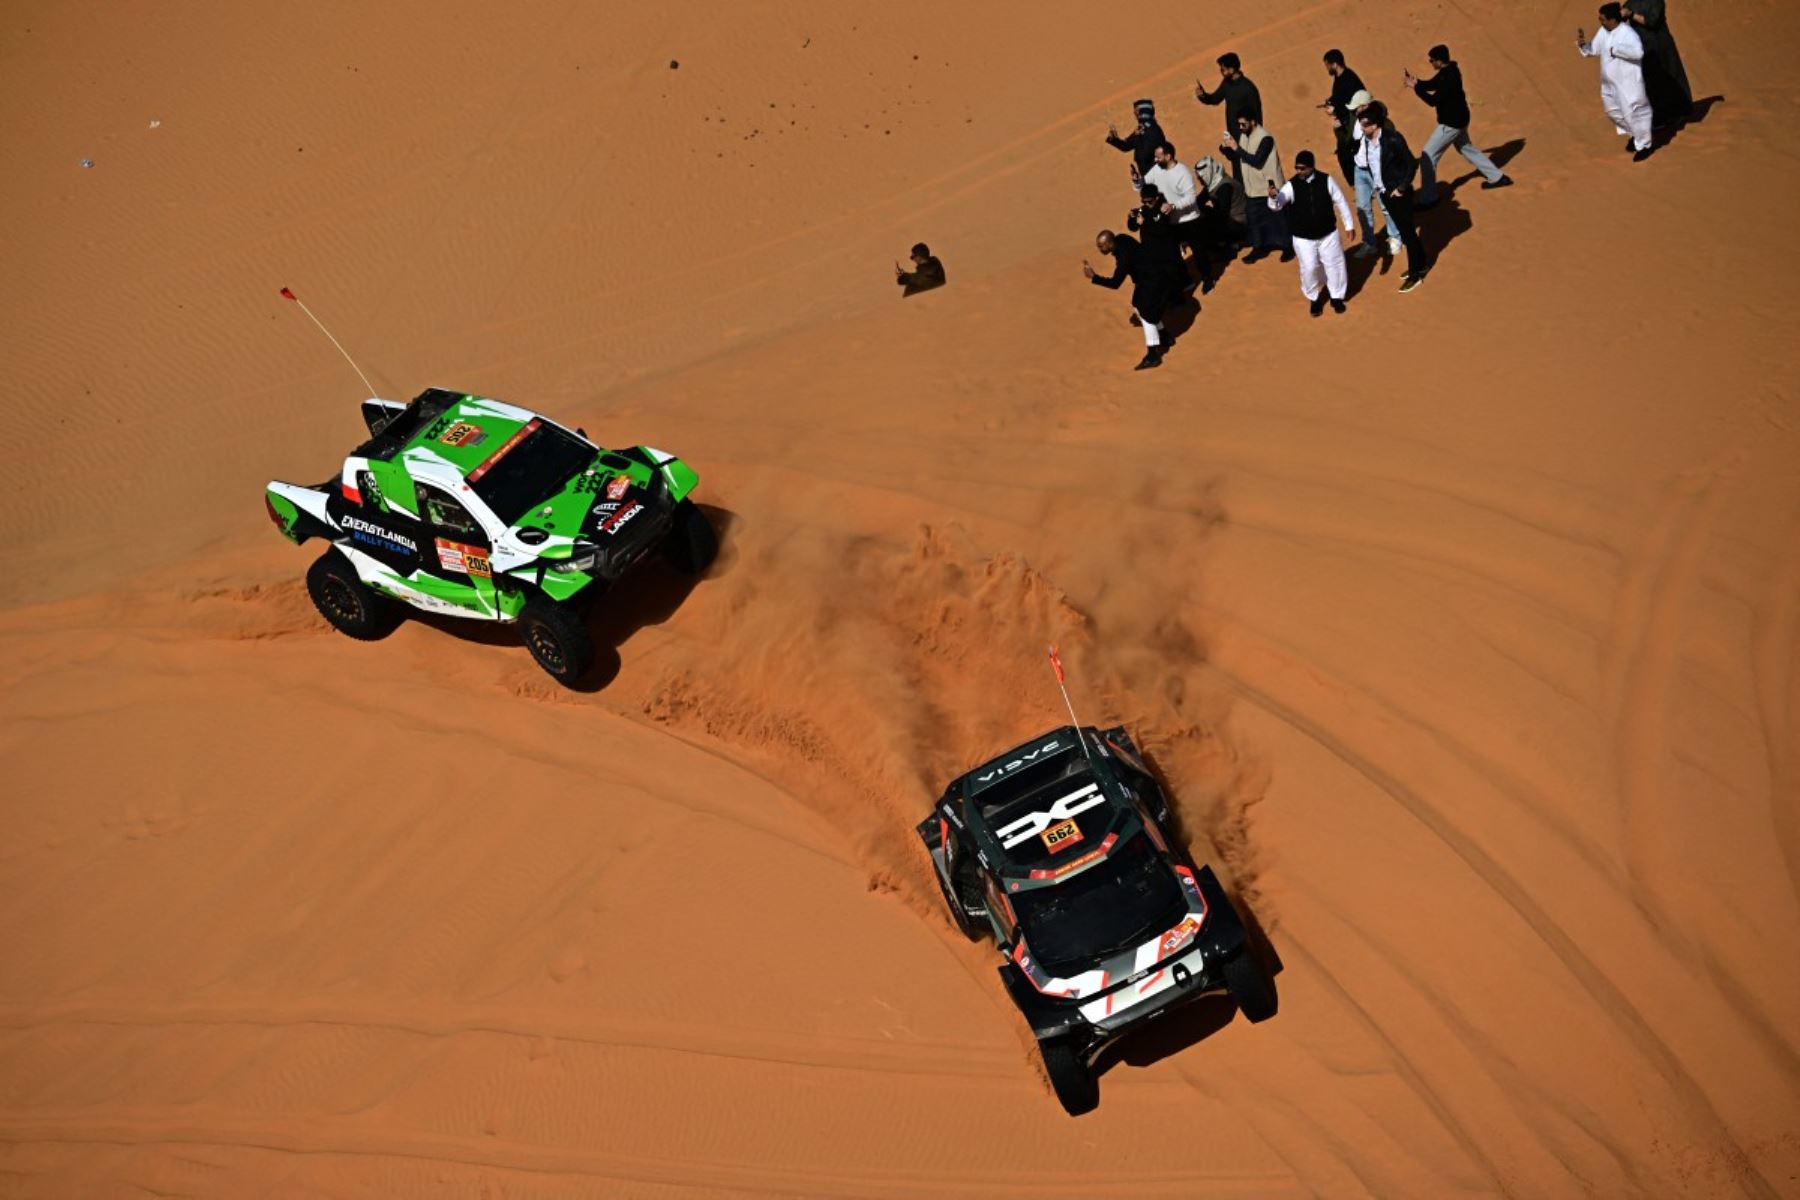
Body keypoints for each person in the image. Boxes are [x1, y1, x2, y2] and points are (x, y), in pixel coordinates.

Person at [1405, 45, 1513, 205]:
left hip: (1451, 124)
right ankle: (1498, 177)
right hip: (1461, 119)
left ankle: (1429, 198)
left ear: (1439, 61)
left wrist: (1416, 89)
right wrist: (1418, 82)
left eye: (1432, 60)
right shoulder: (1450, 70)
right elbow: (1433, 84)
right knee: (1466, 148)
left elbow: (1433, 101)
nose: (1431, 63)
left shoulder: (1448, 78)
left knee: (1428, 156)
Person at [1266, 150, 1356, 316]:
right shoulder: (1291, 185)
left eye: (1302, 168)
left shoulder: (1326, 180)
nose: (1299, 171)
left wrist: (1349, 225)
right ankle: (1314, 298)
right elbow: (1277, 205)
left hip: (1328, 235)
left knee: (1335, 265)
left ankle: (1336, 297)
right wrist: (1272, 197)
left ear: (1311, 167)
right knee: (1309, 268)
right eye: (1297, 168)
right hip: (1303, 238)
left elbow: (1341, 201)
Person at [1085, 227, 1184, 370]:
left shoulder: (1123, 257)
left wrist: (1094, 277)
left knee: (1147, 315)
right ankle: (1165, 337)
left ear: (1110, 244)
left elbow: (1115, 283)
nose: (1099, 249)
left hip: (1153, 281)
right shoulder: (1122, 238)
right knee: (1138, 304)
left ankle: (1153, 356)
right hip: (1151, 277)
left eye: (1101, 246)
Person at [1355, 102, 1429, 291]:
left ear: (1375, 125)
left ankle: (1415, 275)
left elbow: (1411, 163)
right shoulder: (1367, 141)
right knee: (1407, 232)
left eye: (1365, 125)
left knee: (1407, 233)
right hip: (1384, 193)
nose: (1362, 128)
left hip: (1399, 195)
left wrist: (1401, 188)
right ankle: (1421, 264)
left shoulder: (1393, 139)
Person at [1578, 5, 1654, 161]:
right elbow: (1595, 49)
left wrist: (1616, 50)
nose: (1600, 21)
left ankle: (1645, 145)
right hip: (1609, 84)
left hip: (1628, 84)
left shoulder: (1628, 34)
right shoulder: (1604, 31)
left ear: (1612, 20)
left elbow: (1638, 52)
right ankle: (1635, 135)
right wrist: (1584, 46)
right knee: (1613, 112)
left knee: (1636, 114)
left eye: (1602, 19)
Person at [1219, 110, 1292, 263]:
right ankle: (1259, 248)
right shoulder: (1244, 136)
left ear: (1253, 121)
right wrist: (1227, 150)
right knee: (1255, 221)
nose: (1240, 127)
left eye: (1243, 124)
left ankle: (1288, 247)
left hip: (1269, 188)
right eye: (1239, 124)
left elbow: (1256, 160)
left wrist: (1236, 148)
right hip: (1252, 190)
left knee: (1279, 220)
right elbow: (1239, 156)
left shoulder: (1265, 138)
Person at [1143, 141, 1216, 291]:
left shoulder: (1183, 173)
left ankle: (1208, 277)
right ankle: (1186, 281)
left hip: (1190, 220)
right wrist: (1137, 180)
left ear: (1168, 156)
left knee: (1198, 252)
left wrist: (1174, 205)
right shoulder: (1157, 169)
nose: (1155, 160)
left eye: (1158, 157)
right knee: (1173, 253)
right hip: (1171, 221)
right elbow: (1144, 183)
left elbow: (1191, 198)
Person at [1341, 89, 1403, 260]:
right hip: (1359, 170)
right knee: (1362, 208)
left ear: (1366, 105)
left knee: (1385, 206)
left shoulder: (1383, 122)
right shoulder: (1355, 120)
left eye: (1357, 108)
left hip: (1377, 171)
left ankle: (1395, 238)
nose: (1354, 111)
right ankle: (1369, 243)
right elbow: (1349, 141)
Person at [1621, 1, 1692, 125]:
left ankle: (1680, 111)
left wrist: (1631, 14)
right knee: (1652, 83)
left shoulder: (1656, 1)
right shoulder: (1631, 2)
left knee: (1671, 77)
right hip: (1646, 50)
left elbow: (1651, 21)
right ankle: (1660, 116)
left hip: (1662, 47)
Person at [1195, 54, 1263, 144]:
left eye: (1223, 69)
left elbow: (1257, 115)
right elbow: (1215, 99)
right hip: (1233, 136)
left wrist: (1256, 140)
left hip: (1247, 138)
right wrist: (1203, 95)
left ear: (1231, 69)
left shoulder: (1248, 88)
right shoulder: (1227, 83)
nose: (1221, 72)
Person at [1106, 99, 1167, 188]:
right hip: (1150, 178)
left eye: (1136, 110)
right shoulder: (1143, 128)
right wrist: (1114, 139)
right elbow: (1126, 146)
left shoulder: (1152, 129)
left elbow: (1147, 154)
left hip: (1158, 178)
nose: (1134, 113)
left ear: (1142, 111)